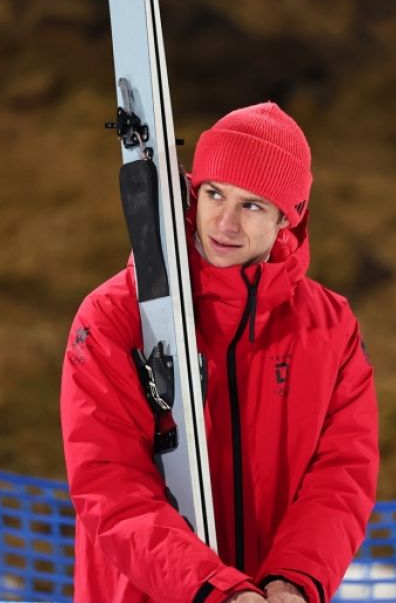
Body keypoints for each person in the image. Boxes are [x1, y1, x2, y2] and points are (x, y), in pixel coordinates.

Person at [60, 102, 379, 603]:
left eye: (252, 205)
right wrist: (215, 592)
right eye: (214, 194)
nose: (225, 223)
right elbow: (110, 486)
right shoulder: (114, 317)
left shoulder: (330, 328)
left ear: (286, 221)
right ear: (193, 193)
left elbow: (342, 475)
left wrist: (292, 582)